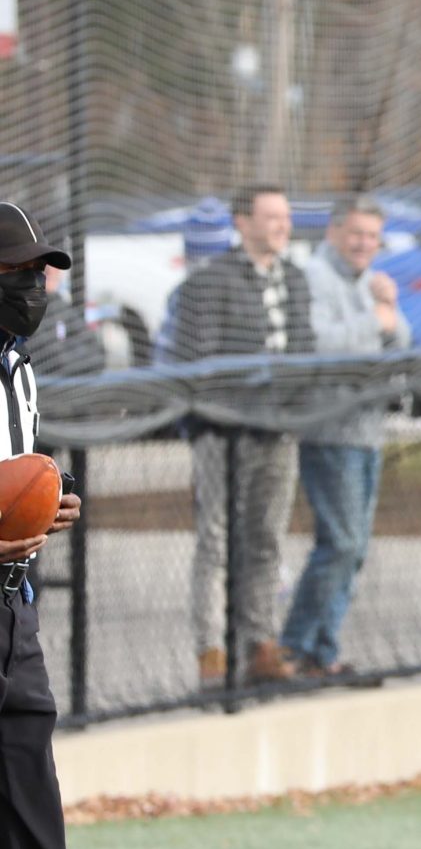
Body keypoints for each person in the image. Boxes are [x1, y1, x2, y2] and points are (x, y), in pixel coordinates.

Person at [0, 203, 142, 849]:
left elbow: (17, 476)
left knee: (30, 824)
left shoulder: (18, 372)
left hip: (11, 614)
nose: (36, 287)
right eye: (18, 273)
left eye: (40, 272)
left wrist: (53, 495)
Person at [167, 185, 315, 686]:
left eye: (286, 216)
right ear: (242, 222)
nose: (281, 225)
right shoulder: (210, 283)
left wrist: (286, 398)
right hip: (223, 435)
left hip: (278, 433)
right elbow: (203, 361)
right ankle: (212, 654)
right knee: (216, 541)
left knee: (267, 541)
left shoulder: (295, 279)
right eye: (271, 216)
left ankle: (261, 646)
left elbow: (305, 350)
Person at [280, 196, 411, 677]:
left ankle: (322, 650)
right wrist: (375, 320)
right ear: (334, 232)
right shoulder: (316, 276)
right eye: (356, 234)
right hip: (330, 430)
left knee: (354, 548)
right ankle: (296, 646)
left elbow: (399, 339)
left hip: (368, 430)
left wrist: (389, 310)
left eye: (373, 237)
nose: (364, 245)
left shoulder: (368, 283)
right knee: (340, 542)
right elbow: (316, 342)